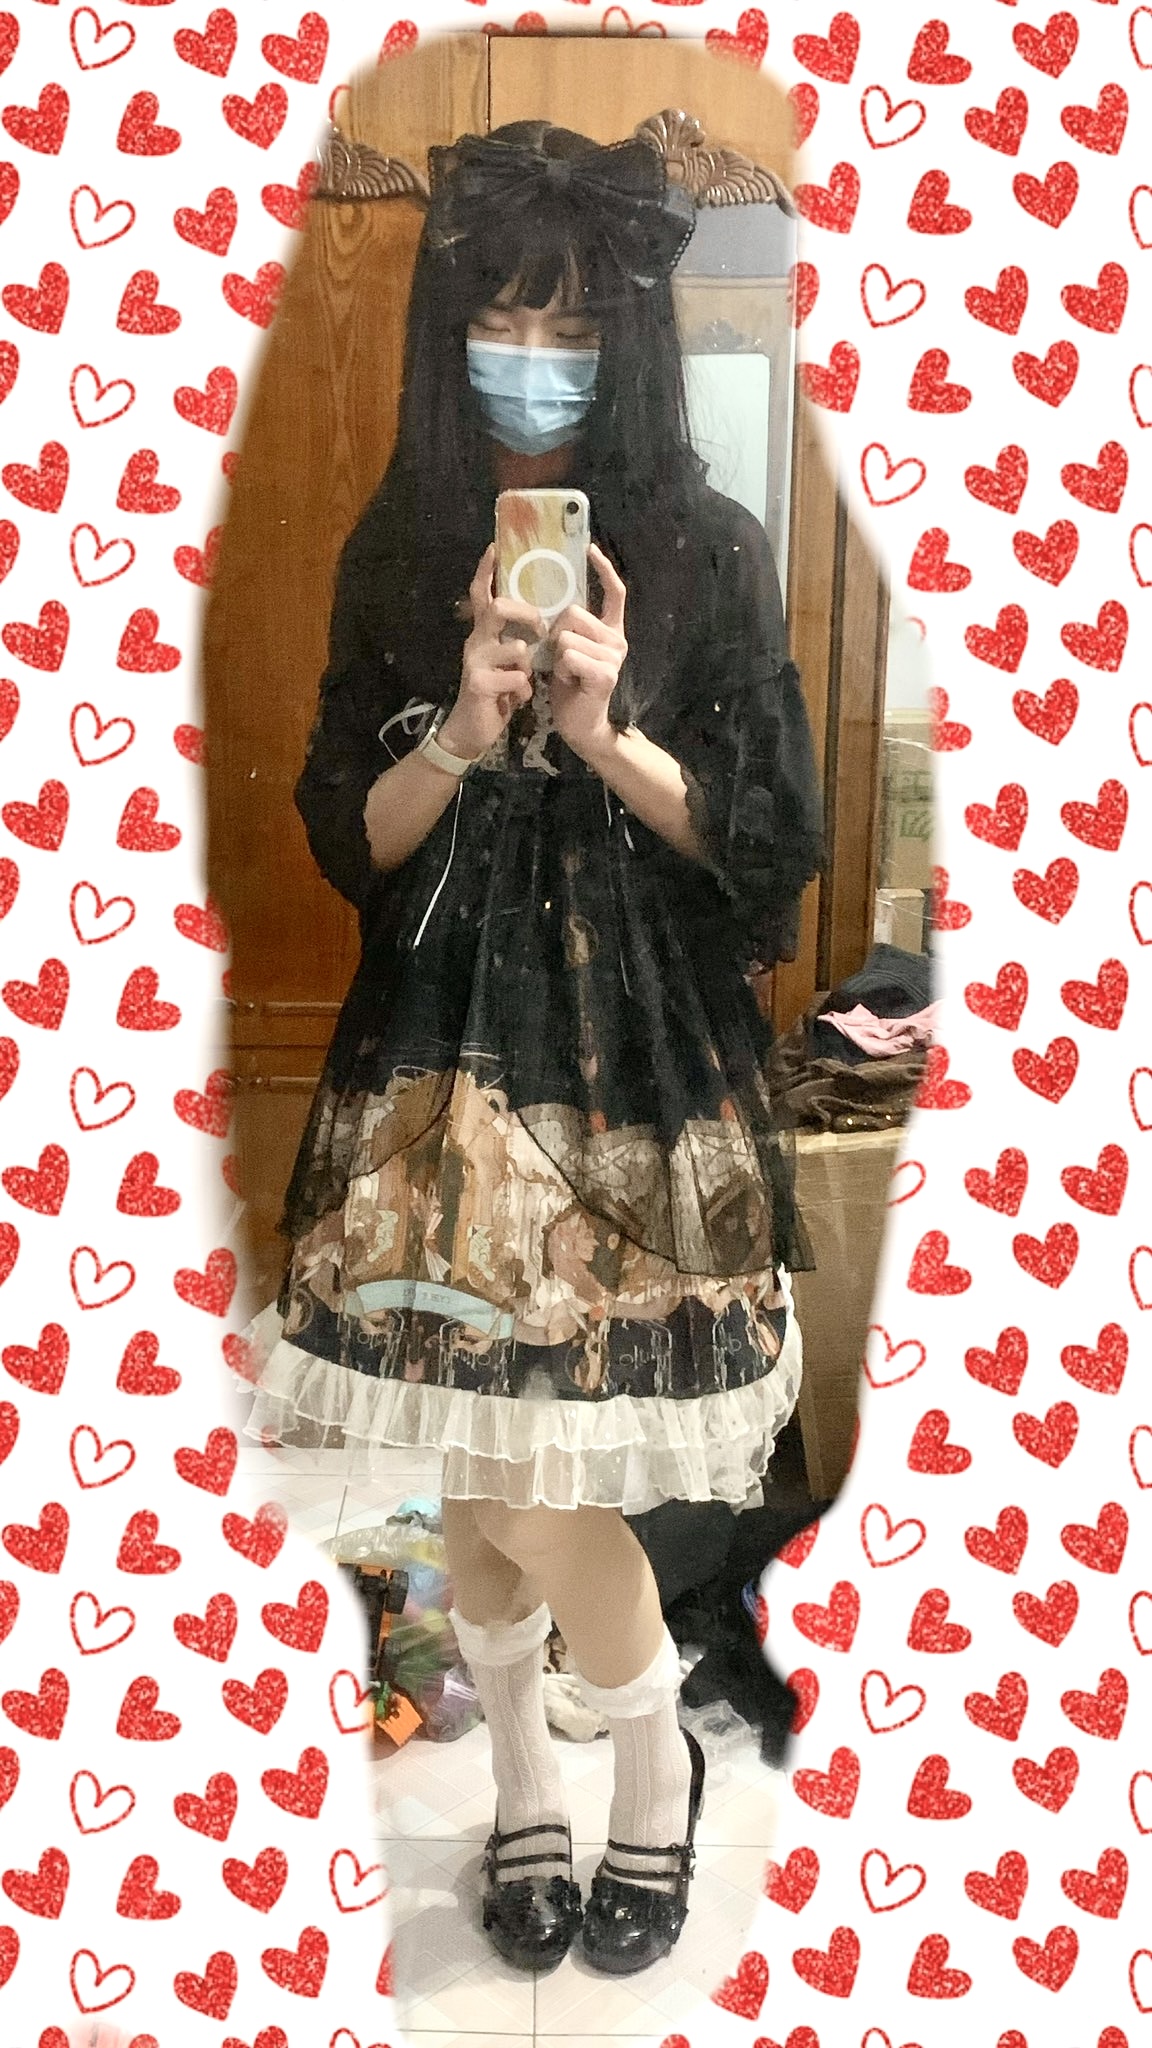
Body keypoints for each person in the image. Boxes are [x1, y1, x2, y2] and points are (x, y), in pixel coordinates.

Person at [245, 120, 824, 1977]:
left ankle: (646, 1766)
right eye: (500, 315)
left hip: (634, 1074)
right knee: (480, 1460)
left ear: (627, 337)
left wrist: (602, 732)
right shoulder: (404, 545)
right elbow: (353, 841)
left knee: (536, 1479)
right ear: (451, 330)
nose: (534, 354)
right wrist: (461, 728)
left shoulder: (710, 547)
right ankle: (527, 1781)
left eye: (572, 324)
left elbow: (770, 847)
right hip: (437, 1068)